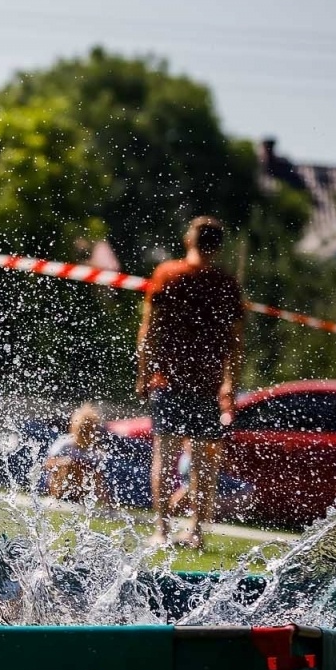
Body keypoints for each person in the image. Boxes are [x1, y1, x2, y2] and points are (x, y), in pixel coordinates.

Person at [135, 216, 244, 549]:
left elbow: (149, 329)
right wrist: (231, 384)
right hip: (207, 386)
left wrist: (142, 372)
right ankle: (196, 531)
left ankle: (161, 530)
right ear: (218, 246)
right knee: (203, 465)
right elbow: (236, 343)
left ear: (189, 240)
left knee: (164, 459)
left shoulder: (168, 275)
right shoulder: (227, 284)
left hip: (168, 382)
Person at [39, 403, 110, 505]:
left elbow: (99, 478)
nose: (84, 435)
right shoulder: (65, 443)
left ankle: (91, 501)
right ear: (73, 428)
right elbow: (47, 464)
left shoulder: (94, 451)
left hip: (80, 490)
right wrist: (65, 462)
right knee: (68, 464)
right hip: (59, 485)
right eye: (81, 431)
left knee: (92, 471)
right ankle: (55, 496)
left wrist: (108, 503)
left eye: (87, 431)